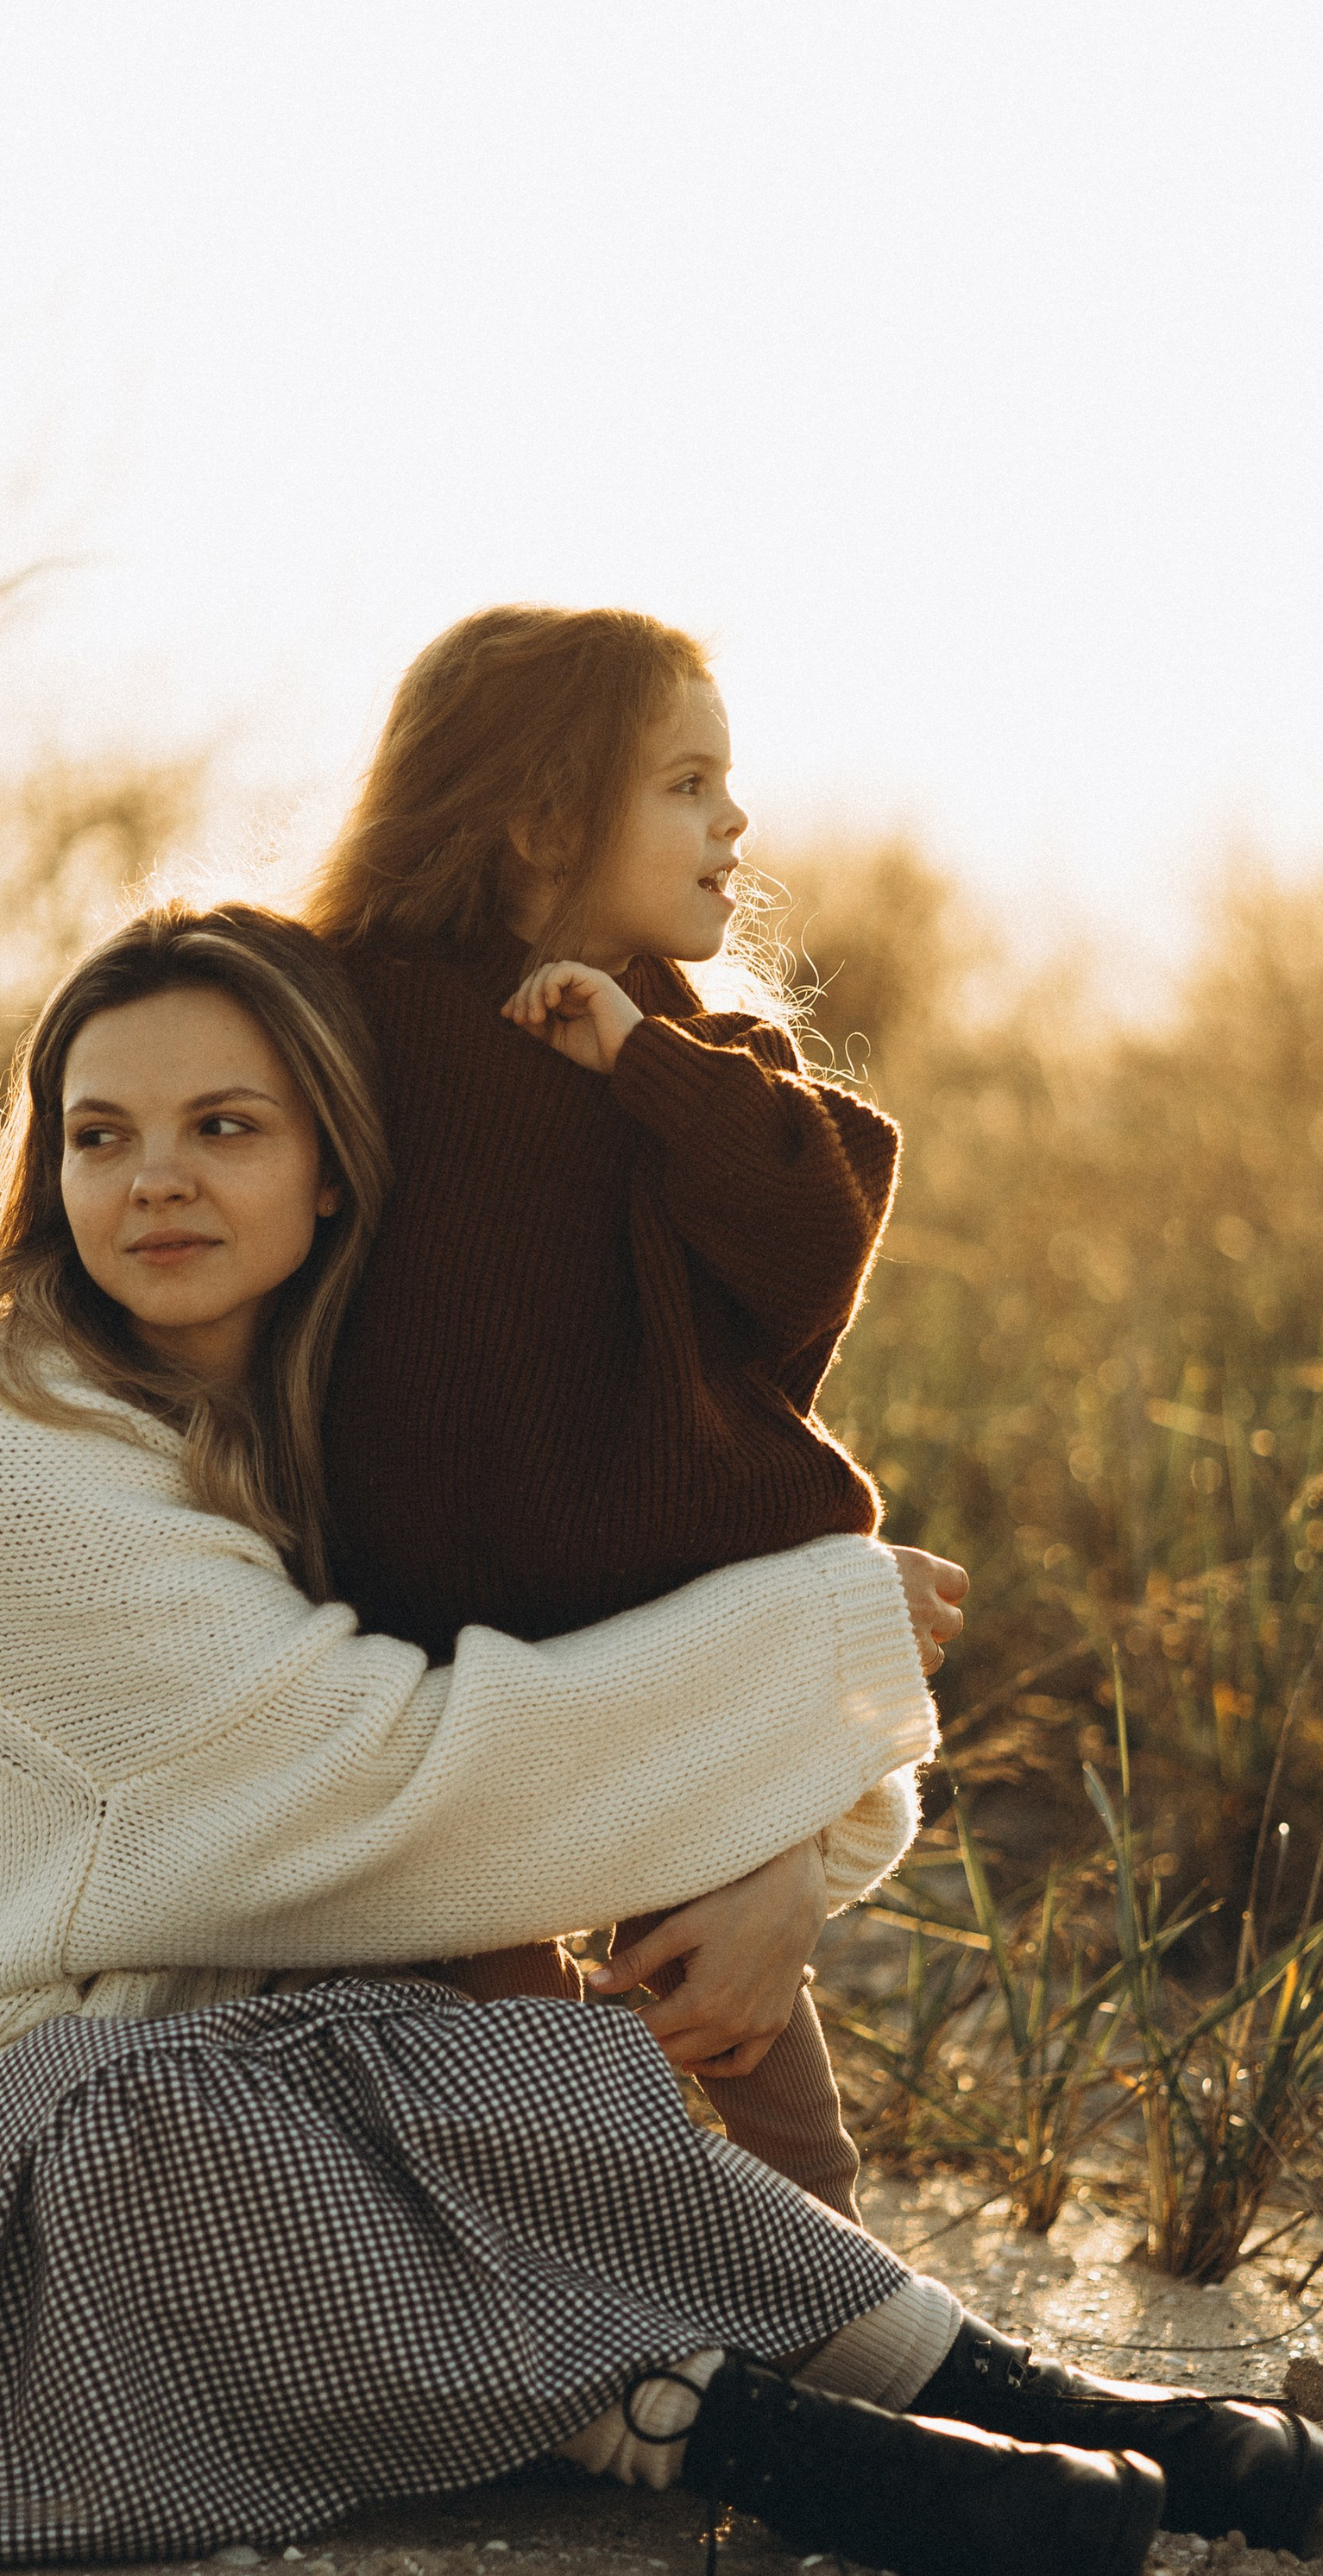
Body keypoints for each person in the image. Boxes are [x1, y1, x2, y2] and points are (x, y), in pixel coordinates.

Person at [0, 908, 1323, 2576]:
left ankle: (989, 2394)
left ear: (336, 1172)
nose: (153, 1180)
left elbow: (557, 1718)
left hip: (326, 2171)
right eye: (98, 1135)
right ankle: (777, 2446)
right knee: (178, 2108)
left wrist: (798, 1854)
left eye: (222, 1128)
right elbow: (382, 1786)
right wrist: (822, 1642)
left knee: (415, 2045)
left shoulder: (311, 1440)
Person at [306, 603, 964, 2222]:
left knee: (758, 2069)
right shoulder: (356, 1016)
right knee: (518, 2068)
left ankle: (837, 2309)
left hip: (673, 1640)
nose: (733, 820)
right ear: (536, 815)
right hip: (431, 1665)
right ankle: (609, 2327)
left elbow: (818, 1239)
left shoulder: (699, 1053)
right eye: (685, 781)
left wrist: (639, 1067)